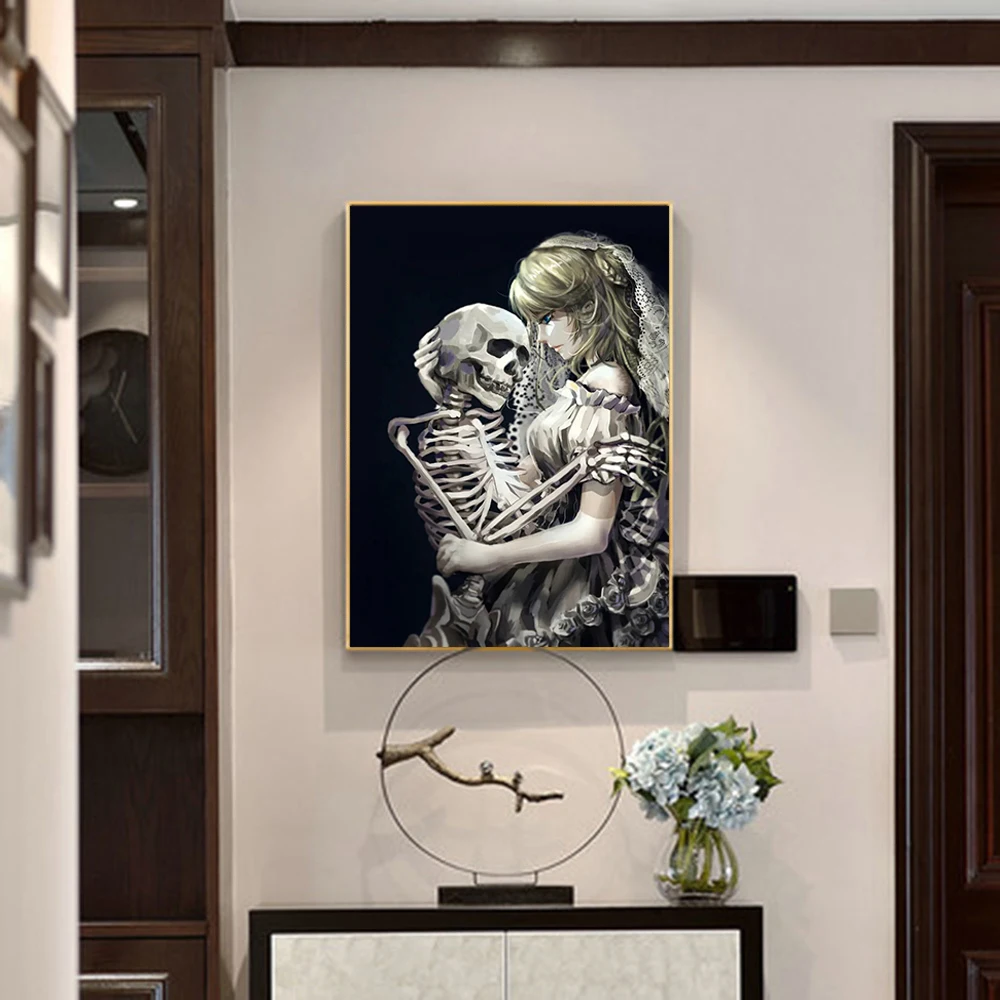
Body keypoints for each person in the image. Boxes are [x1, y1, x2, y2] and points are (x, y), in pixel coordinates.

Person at [435, 232, 671, 647]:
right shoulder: (584, 385)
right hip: (550, 565)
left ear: (589, 310)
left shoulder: (607, 389)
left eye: (547, 319)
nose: (540, 338)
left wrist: (490, 556)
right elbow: (536, 478)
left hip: (580, 579)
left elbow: (592, 532)